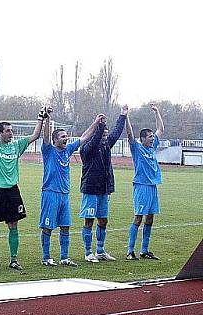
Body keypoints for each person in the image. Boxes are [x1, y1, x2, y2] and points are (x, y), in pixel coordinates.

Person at [0, 110, 44, 270]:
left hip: (12, 191)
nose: (11, 133)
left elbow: (35, 135)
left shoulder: (16, 146)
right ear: (0, 133)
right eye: (7, 131)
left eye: (11, 130)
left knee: (13, 225)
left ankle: (13, 260)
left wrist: (41, 119)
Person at [38, 109, 99, 267]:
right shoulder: (49, 150)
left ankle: (64, 257)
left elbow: (84, 137)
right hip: (50, 193)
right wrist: (47, 119)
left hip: (64, 195)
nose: (66, 138)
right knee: (48, 227)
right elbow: (45, 137)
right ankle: (46, 257)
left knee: (65, 226)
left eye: (66, 136)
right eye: (63, 136)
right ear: (55, 140)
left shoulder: (68, 150)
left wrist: (95, 122)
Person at [79, 105, 127, 263]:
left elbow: (116, 133)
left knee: (103, 220)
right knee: (89, 220)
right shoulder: (88, 149)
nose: (106, 138)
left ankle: (100, 251)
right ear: (97, 136)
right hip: (91, 189)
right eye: (103, 135)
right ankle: (88, 252)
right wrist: (99, 124)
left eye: (106, 136)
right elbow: (98, 135)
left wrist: (122, 116)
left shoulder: (106, 146)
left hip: (103, 190)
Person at [125, 103, 165, 260]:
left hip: (153, 186)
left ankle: (144, 250)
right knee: (138, 217)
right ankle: (130, 251)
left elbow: (161, 130)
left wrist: (157, 112)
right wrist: (126, 116)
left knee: (150, 218)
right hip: (141, 187)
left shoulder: (151, 148)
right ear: (142, 139)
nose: (152, 139)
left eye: (152, 137)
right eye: (150, 137)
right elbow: (129, 134)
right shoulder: (137, 148)